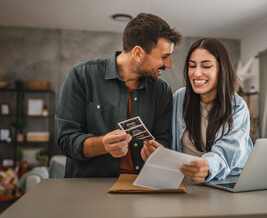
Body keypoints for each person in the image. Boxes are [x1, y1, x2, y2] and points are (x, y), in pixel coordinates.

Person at [56, 13, 182, 178]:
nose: (169, 64)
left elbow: (165, 139)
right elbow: (67, 140)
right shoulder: (81, 76)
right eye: (164, 56)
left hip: (142, 187)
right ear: (138, 53)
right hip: (89, 189)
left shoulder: (162, 91)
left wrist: (159, 152)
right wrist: (102, 144)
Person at [172, 38, 253, 182]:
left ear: (222, 70)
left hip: (225, 181)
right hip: (185, 183)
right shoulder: (180, 98)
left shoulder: (237, 106)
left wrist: (207, 165)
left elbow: (227, 152)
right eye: (192, 66)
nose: (196, 73)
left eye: (206, 66)